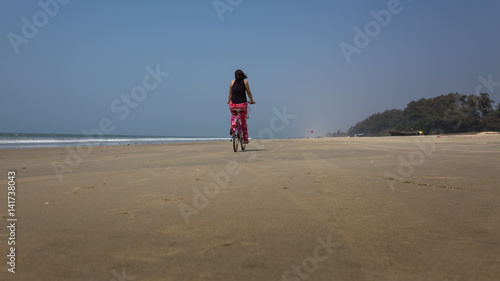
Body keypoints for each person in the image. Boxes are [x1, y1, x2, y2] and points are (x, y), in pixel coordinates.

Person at [228, 69, 255, 144]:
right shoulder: (245, 82)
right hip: (242, 105)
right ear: (243, 75)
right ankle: (245, 139)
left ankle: (233, 125)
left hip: (232, 104)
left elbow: (230, 93)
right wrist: (252, 100)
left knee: (233, 116)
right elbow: (249, 93)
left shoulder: (232, 82)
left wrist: (228, 101)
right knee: (243, 121)